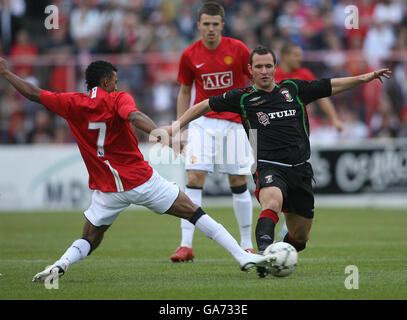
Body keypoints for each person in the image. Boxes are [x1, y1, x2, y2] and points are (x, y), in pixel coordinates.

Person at [0, 57, 275, 282]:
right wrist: (162, 135)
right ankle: (243, 256)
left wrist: (7, 73)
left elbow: (34, 94)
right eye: (115, 81)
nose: (117, 84)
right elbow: (134, 116)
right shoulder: (117, 98)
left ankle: (60, 265)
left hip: (107, 190)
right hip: (141, 181)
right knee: (194, 212)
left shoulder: (71, 102)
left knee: (90, 237)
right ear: (107, 81)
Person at [162, 45, 391, 277]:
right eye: (259, 66)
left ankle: (282, 249)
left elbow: (330, 86)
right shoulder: (243, 98)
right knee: (272, 202)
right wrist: (175, 126)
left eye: (268, 66)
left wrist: (364, 78)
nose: (264, 71)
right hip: (268, 166)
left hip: (301, 170)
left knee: (300, 237)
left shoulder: (293, 88)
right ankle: (264, 256)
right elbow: (204, 105)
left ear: (275, 68)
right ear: (250, 69)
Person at [171, 1, 255, 262]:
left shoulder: (239, 50)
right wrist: (180, 128)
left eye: (214, 25)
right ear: (198, 25)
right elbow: (185, 92)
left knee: (238, 181)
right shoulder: (189, 55)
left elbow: (254, 82)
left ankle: (246, 244)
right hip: (202, 122)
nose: (210, 29)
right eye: (205, 24)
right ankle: (186, 245)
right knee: (194, 177)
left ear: (222, 25)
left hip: (234, 121)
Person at [274, 41, 344, 240]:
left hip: (297, 134)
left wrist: (335, 119)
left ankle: (287, 223)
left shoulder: (304, 74)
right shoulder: (272, 74)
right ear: (285, 55)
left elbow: (322, 96)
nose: (299, 58)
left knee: (292, 178)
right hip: (272, 135)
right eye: (296, 54)